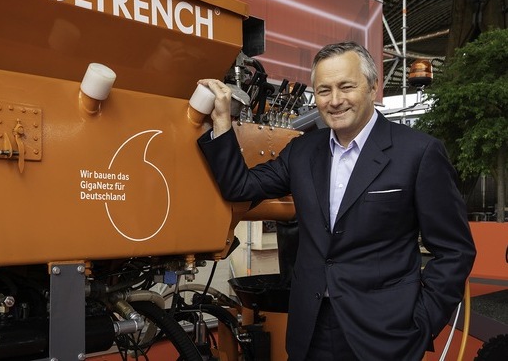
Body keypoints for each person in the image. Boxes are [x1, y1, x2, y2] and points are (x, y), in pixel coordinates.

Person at [197, 41, 476, 361]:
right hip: (311, 329)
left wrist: (421, 324)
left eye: (346, 86)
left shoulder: (418, 152)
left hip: (386, 333)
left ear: (373, 86)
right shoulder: (302, 151)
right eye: (324, 90)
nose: (335, 100)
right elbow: (241, 186)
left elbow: (455, 251)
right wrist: (222, 123)